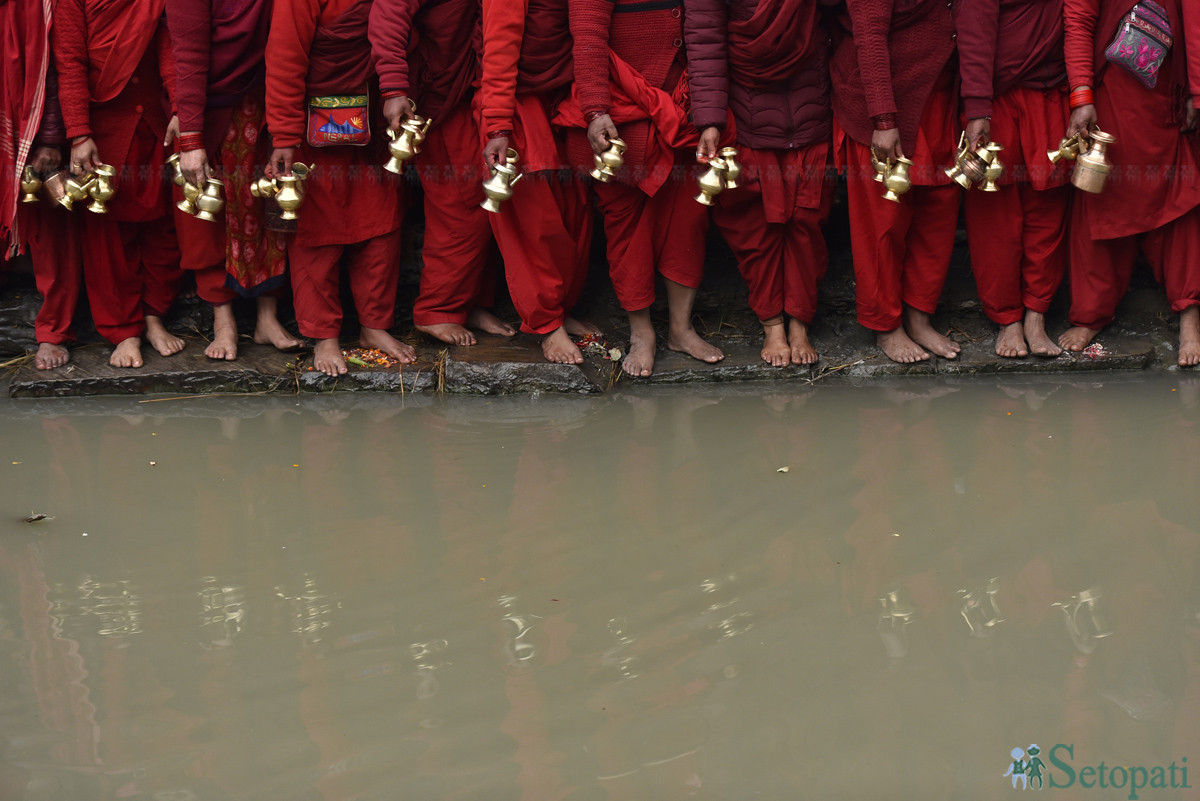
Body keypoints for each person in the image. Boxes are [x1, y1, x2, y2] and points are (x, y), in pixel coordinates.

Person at [564, 0, 725, 377]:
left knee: (688, 219)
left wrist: (709, 115)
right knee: (627, 227)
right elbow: (587, 36)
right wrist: (595, 109)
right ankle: (642, 333)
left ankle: (681, 331)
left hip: (682, 111)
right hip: (620, 110)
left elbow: (707, 37)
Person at [265, 0, 414, 377]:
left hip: (372, 116)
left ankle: (374, 326)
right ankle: (324, 335)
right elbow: (285, 57)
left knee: (383, 221)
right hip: (313, 124)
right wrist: (283, 135)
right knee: (317, 234)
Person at [685, 0, 834, 367]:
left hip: (812, 105)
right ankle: (773, 325)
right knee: (753, 227)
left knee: (807, 222)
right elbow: (705, 43)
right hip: (746, 111)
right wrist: (709, 119)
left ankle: (799, 324)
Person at [1059, 0, 1200, 366]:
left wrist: (1196, 91)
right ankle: (1091, 314)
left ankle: (1189, 315)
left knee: (1179, 201)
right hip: (1112, 91)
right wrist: (1082, 95)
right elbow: (1078, 21)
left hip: (1169, 90)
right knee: (1105, 197)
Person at [369, 0, 516, 348]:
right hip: (428, 97)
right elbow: (388, 14)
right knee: (460, 201)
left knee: (486, 196)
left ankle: (468, 304)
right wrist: (394, 89)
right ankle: (439, 309)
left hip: (466, 90)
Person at [166, 0, 304, 361]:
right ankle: (223, 322)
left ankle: (267, 319)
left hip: (271, 100)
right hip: (209, 107)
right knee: (208, 212)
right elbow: (187, 54)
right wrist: (192, 136)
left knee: (271, 202)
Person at [53, 0, 185, 369]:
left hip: (156, 123)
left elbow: (171, 47)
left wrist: (179, 108)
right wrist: (79, 132)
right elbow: (70, 60)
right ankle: (124, 330)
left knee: (165, 227)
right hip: (103, 128)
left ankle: (154, 317)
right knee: (107, 237)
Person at [830, 0, 962, 364]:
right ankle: (886, 326)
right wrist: (884, 120)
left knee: (938, 211)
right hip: (882, 105)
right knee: (882, 222)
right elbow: (869, 37)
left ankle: (919, 317)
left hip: (935, 98)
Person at [480, 0, 598, 365]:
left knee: (574, 208)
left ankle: (558, 309)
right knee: (533, 219)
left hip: (561, 96)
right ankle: (547, 326)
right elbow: (499, 44)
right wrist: (498, 125)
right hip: (514, 104)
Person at [956, 0, 1070, 359]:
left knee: (1048, 209)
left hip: (1049, 90)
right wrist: (976, 109)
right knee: (995, 217)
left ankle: (1036, 316)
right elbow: (974, 30)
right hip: (996, 99)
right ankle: (1007, 319)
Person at [1, 0, 85, 370]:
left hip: (32, 129)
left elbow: (56, 65)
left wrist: (51, 137)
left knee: (51, 227)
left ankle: (53, 331)